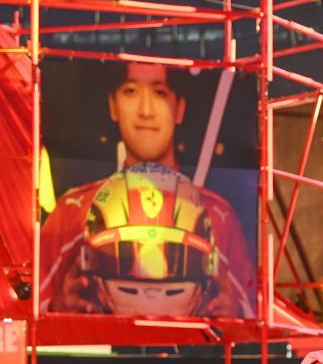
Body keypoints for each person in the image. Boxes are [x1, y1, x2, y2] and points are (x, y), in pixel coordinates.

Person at [40, 62, 255, 318]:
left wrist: (236, 313)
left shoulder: (219, 216)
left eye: (159, 93)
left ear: (179, 108)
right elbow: (27, 313)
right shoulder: (71, 212)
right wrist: (56, 310)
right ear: (113, 105)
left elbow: (254, 313)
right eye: (131, 91)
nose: (145, 111)